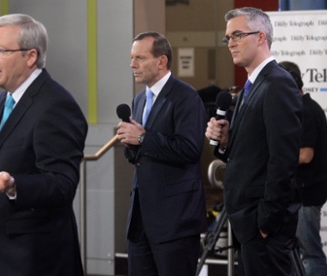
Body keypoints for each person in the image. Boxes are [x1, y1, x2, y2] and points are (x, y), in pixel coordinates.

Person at [0, 14, 87, 275]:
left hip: (33, 257)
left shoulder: (55, 105)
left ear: (30, 56)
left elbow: (63, 184)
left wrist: (14, 183)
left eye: (1, 50)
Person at [205, 7, 302, 276]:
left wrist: (266, 221)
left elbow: (283, 160)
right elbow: (253, 151)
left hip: (263, 226)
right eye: (227, 38)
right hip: (247, 223)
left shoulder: (277, 84)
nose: (230, 43)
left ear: (261, 37)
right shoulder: (252, 85)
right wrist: (225, 141)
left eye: (237, 35)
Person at [116, 32, 207, 276]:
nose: (132, 64)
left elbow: (189, 149)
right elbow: (143, 155)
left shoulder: (186, 97)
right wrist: (132, 146)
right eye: (131, 57)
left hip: (174, 220)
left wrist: (143, 138)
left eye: (140, 58)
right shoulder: (138, 100)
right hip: (141, 219)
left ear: (161, 61)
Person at [279, 61, 327, 276]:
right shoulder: (302, 109)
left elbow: (306, 154)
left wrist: (275, 158)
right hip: (299, 193)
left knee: (310, 254)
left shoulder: (306, 111)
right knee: (299, 253)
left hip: (305, 194)